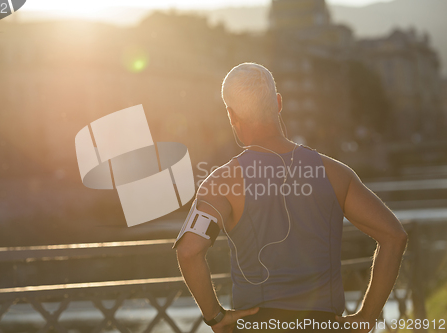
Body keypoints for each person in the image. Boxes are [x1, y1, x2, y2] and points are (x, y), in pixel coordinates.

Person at [174, 63, 408, 333]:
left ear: (231, 114)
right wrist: (367, 317)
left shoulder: (220, 182)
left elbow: (189, 250)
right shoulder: (335, 173)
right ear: (278, 103)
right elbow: (394, 236)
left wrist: (215, 317)